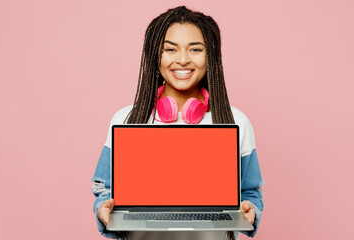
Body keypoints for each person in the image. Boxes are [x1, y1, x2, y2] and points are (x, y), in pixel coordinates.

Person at [91, 6, 264, 240]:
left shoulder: (236, 122)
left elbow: (251, 193)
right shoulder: (126, 120)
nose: (182, 60)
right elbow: (104, 187)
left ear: (210, 55)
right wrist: (103, 208)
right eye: (170, 49)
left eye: (195, 49)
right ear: (155, 55)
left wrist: (250, 211)